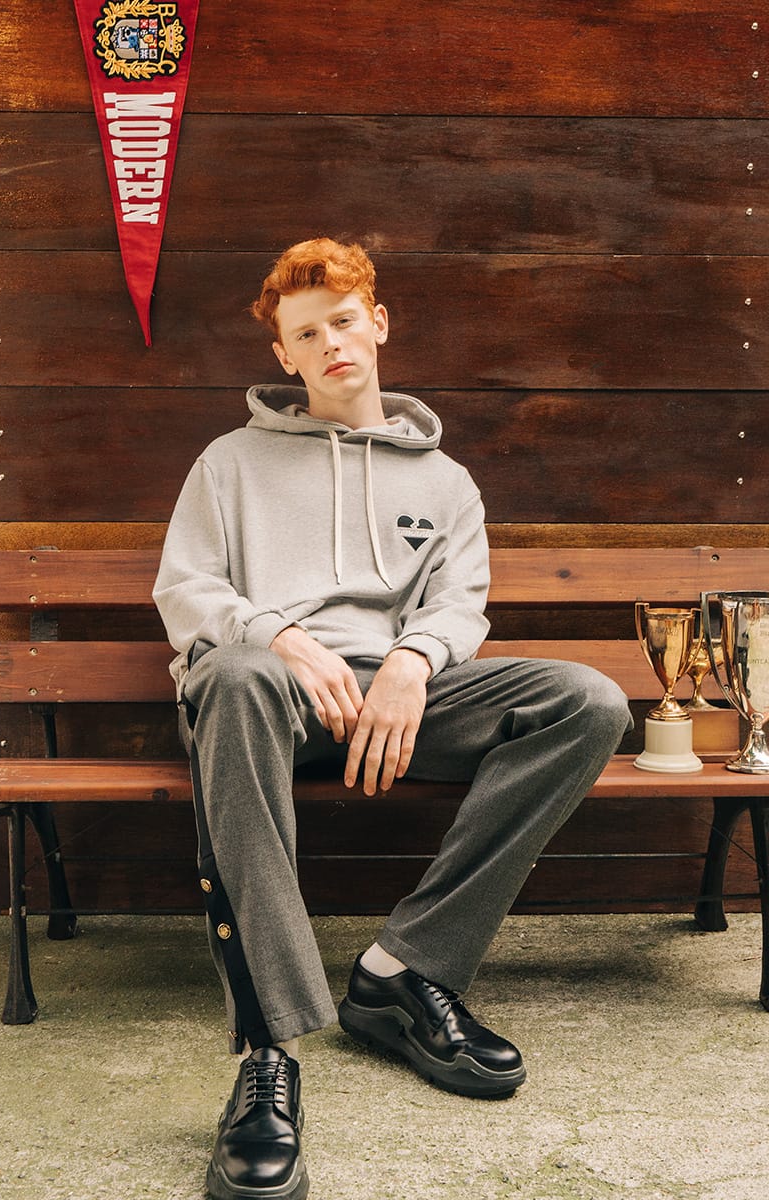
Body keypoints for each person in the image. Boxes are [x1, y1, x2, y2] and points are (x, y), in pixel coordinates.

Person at [153, 238, 632, 1200]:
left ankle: (403, 972)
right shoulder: (228, 463)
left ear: (377, 324)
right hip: (269, 694)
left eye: (342, 321)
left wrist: (413, 662)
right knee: (235, 677)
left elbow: (458, 604)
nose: (329, 343)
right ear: (283, 355)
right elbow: (187, 588)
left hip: (397, 702)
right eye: (305, 334)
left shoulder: (445, 482)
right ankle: (268, 1051)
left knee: (587, 702)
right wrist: (282, 639)